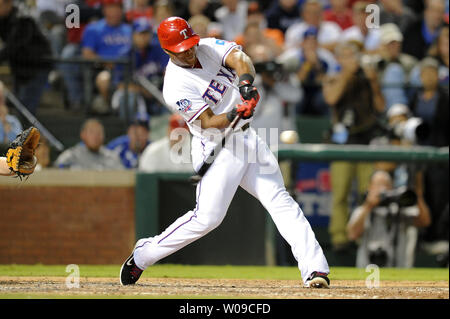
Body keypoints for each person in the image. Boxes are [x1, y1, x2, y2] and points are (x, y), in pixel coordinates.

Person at [120, 16, 330, 288]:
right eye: (182, 49)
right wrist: (234, 111)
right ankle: (143, 255)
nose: (190, 51)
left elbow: (241, 60)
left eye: (190, 44)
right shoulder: (174, 86)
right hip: (216, 145)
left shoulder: (206, 46)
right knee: (207, 219)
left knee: (280, 200)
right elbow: (207, 121)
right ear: (167, 51)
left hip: (248, 138)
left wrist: (245, 85)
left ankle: (315, 269)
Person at [322, 42, 385, 251]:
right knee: (340, 193)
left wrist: (374, 82)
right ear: (339, 59)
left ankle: (362, 236)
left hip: (366, 141)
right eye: (345, 56)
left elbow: (380, 107)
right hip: (342, 144)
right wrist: (346, 75)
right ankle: (340, 238)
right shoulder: (333, 77)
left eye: (353, 56)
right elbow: (331, 98)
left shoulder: (367, 78)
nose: (350, 61)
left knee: (366, 193)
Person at [347, 170, 431, 268]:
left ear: (392, 188)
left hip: (398, 273)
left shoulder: (399, 210)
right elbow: (352, 234)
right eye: (378, 185)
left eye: (386, 185)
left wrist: (418, 196)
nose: (382, 189)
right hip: (368, 273)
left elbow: (425, 221)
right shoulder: (362, 210)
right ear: (369, 188)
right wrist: (368, 206)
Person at [0, 0, 53, 115]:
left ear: (8, 3)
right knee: (19, 107)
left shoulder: (23, 17)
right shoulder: (4, 19)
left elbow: (14, 45)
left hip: (36, 68)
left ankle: (27, 132)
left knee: (25, 111)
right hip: (20, 69)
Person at [81, 0, 133, 114]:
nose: (114, 12)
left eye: (117, 8)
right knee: (103, 79)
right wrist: (107, 63)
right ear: (104, 10)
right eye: (110, 8)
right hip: (106, 69)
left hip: (129, 69)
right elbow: (87, 53)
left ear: (122, 10)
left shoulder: (130, 29)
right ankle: (110, 107)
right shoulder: (93, 28)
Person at [111, 17, 169, 118]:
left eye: (146, 33)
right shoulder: (125, 54)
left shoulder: (158, 49)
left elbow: (168, 72)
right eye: (140, 34)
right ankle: (130, 129)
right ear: (133, 35)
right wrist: (143, 91)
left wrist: (164, 92)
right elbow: (119, 84)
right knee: (129, 98)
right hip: (138, 96)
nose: (144, 37)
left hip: (158, 94)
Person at [279, 26, 339, 115]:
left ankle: (330, 126)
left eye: (313, 42)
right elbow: (297, 80)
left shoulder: (325, 56)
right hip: (297, 89)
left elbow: (327, 80)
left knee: (325, 98)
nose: (311, 45)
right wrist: (308, 64)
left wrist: (317, 66)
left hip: (317, 91)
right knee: (297, 98)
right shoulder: (291, 56)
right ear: (302, 43)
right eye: (308, 42)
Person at [368, 23, 417, 109]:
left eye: (397, 42)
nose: (395, 46)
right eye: (390, 43)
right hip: (383, 103)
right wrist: (386, 59)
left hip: (409, 99)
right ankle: (397, 113)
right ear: (382, 45)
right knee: (394, 70)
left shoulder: (410, 61)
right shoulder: (373, 63)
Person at [54, 118, 124, 170]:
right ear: (83, 135)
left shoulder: (112, 157)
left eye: (99, 133)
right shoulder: (71, 156)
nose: (96, 136)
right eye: (92, 132)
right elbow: (57, 171)